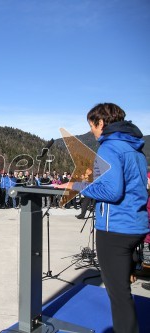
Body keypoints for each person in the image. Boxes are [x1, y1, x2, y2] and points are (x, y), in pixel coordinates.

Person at [57, 103, 148, 333]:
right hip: (135, 225)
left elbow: (112, 192)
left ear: (101, 123)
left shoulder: (109, 147)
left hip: (114, 229)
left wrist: (79, 186)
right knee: (122, 290)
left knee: (119, 298)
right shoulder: (134, 147)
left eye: (92, 126)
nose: (91, 132)